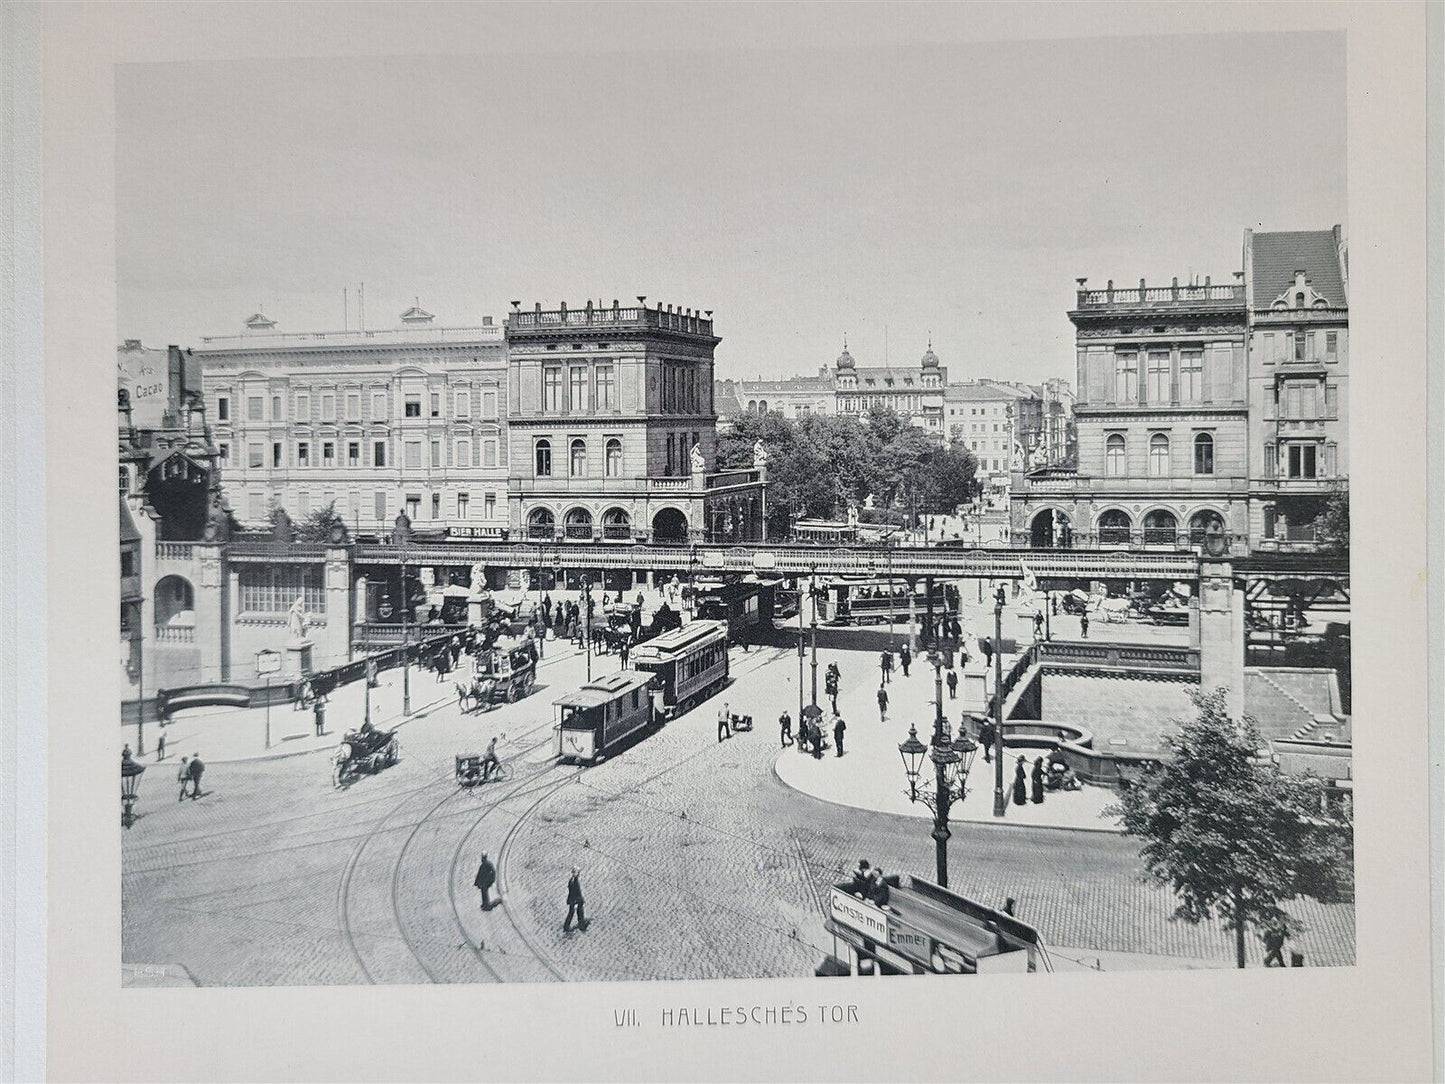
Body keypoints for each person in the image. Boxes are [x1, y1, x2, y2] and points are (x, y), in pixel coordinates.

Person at [563, 867, 588, 932]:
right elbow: (576, 892)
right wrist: (578, 900)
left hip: (574, 899)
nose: (579, 874)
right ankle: (567, 926)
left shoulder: (572, 879)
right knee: (572, 912)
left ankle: (580, 922)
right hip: (574, 900)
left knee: (577, 910)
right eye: (578, 872)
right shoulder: (575, 881)